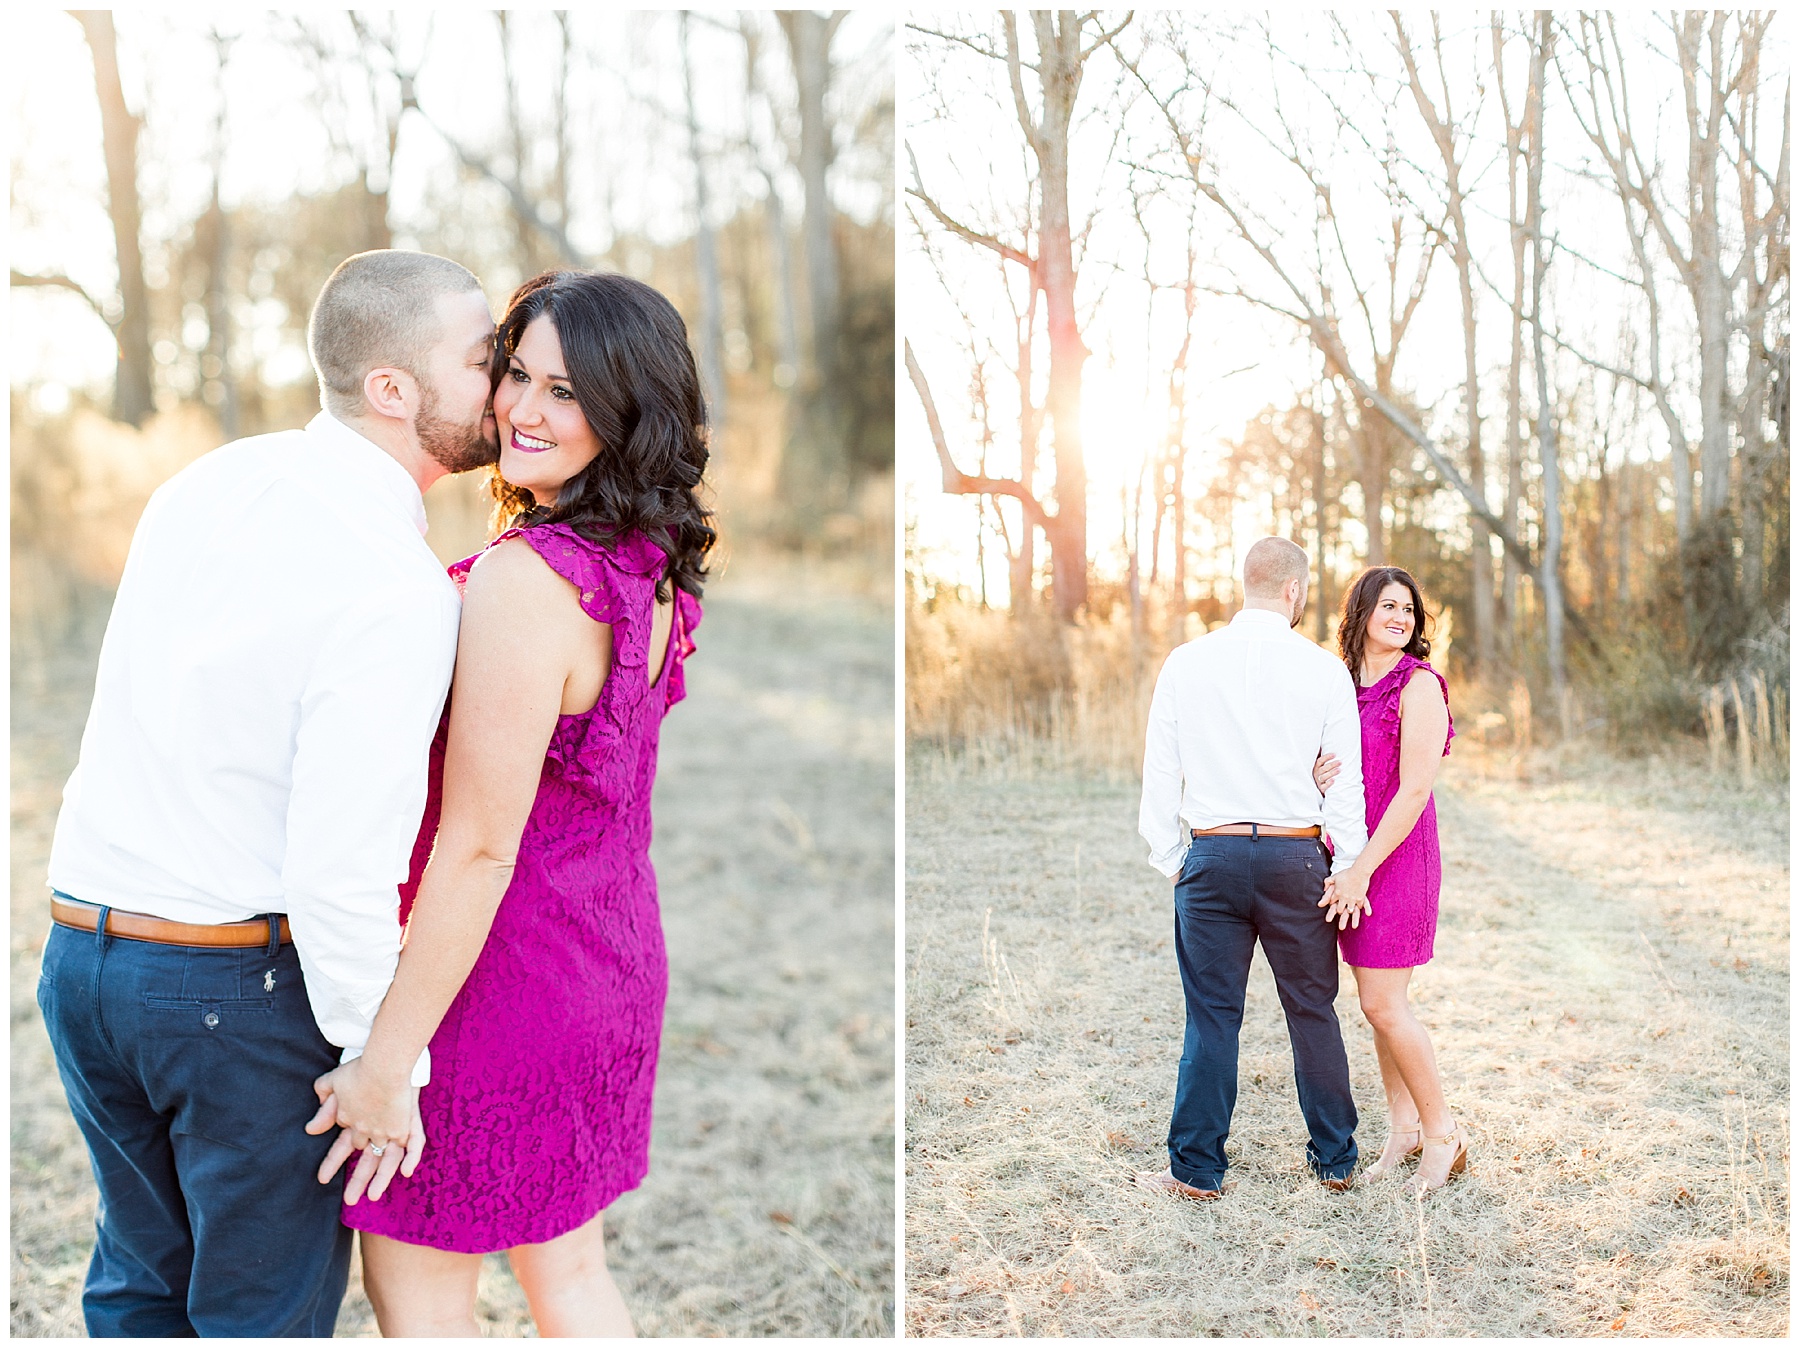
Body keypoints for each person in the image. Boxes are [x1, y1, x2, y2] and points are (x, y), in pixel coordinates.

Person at [37, 249, 499, 1336]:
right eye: (483, 359)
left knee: (139, 1289)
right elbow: (342, 864)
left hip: (81, 960)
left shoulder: (208, 481)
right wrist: (379, 1063)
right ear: (394, 388)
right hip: (224, 998)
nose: (506, 381)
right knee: (258, 1318)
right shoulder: (394, 585)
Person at [310, 270, 714, 1337]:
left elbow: (482, 844)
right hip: (607, 963)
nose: (523, 411)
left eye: (567, 392)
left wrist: (386, 1061)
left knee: (423, 1300)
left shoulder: (529, 581)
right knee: (570, 1277)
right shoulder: (646, 562)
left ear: (628, 408)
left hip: (495, 988)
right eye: (515, 374)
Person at [1135, 537, 1371, 1200]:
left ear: (1248, 585)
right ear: (1294, 591)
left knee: (1212, 1016)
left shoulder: (1186, 663)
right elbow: (1344, 781)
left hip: (1212, 854)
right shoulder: (1324, 671)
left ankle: (1196, 1171)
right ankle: (1336, 1161)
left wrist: (1170, 855)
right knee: (1311, 1009)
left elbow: (1160, 767)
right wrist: (1347, 862)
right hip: (1298, 856)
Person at [1312, 566, 1465, 1195]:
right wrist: (1319, 776)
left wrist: (1360, 871)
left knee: (1383, 1004)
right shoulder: (1343, 686)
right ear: (1361, 614)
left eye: (1409, 609)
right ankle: (1401, 1131)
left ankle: (1444, 1135)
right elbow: (1346, 771)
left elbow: (1414, 790)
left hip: (1393, 862)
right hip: (1350, 857)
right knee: (1378, 1007)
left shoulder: (1419, 686)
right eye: (1388, 606)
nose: (1401, 618)